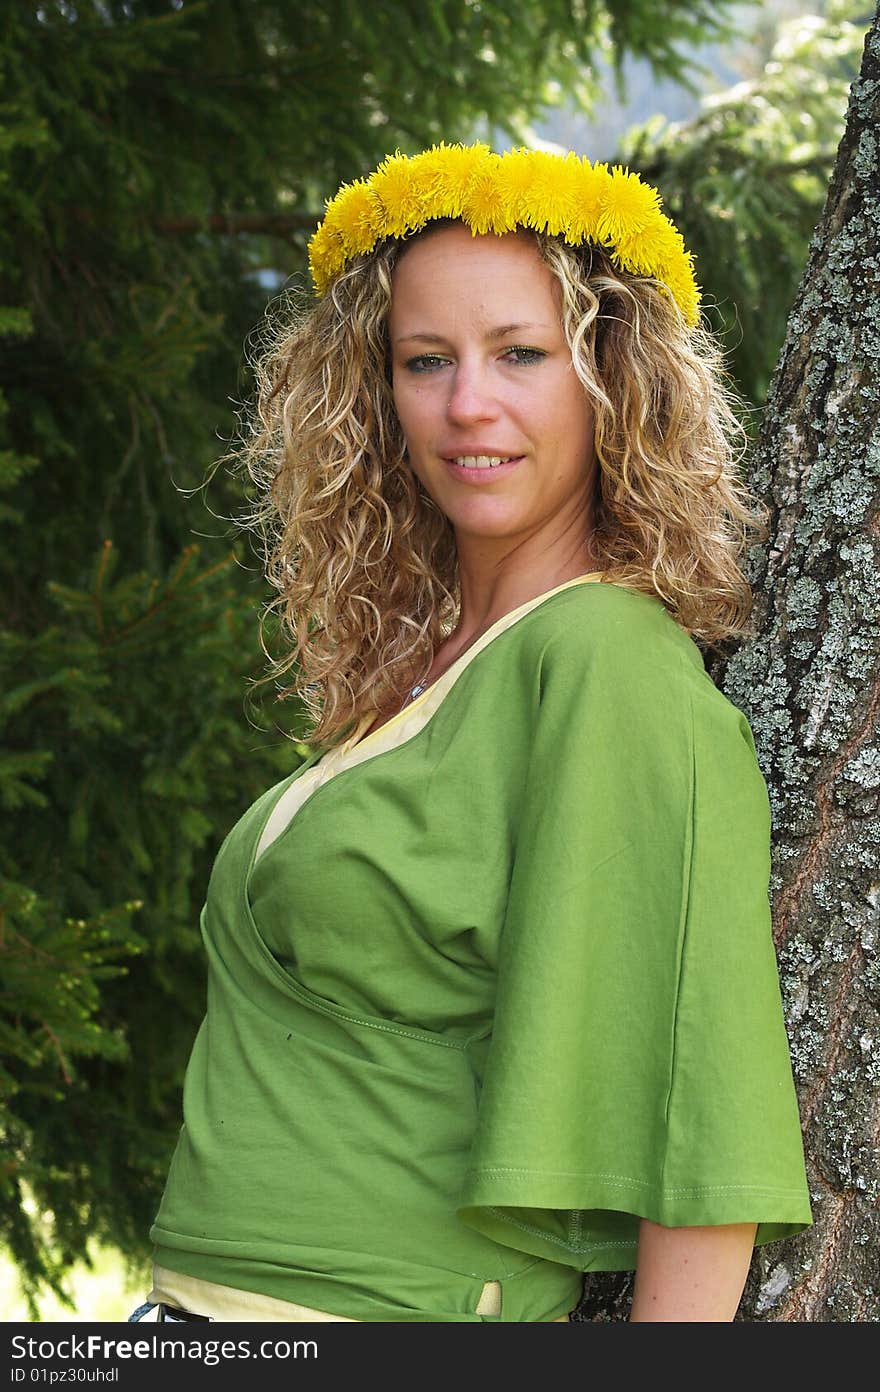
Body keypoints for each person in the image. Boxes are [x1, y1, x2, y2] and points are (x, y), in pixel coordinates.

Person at [129, 142, 813, 1325]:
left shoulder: (604, 660)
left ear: (613, 376)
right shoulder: (427, 661)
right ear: (374, 393)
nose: (466, 405)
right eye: (425, 361)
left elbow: (700, 1120)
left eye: (520, 355)